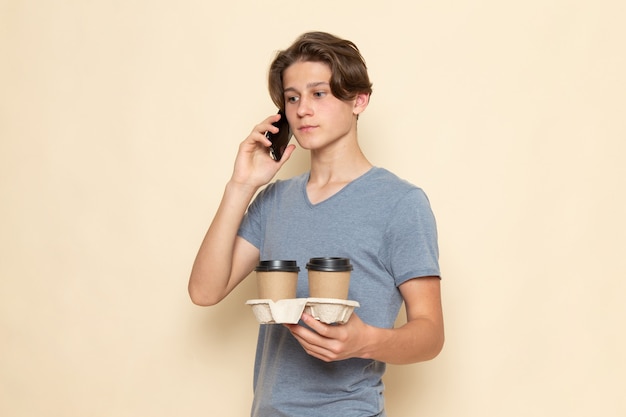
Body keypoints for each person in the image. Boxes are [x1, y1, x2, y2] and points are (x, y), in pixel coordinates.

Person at [188, 31, 444, 417]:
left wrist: (364, 341)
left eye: (319, 93)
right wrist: (241, 185)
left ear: (359, 100)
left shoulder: (401, 203)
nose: (303, 109)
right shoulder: (273, 199)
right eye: (292, 97)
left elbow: (430, 334)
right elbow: (205, 292)